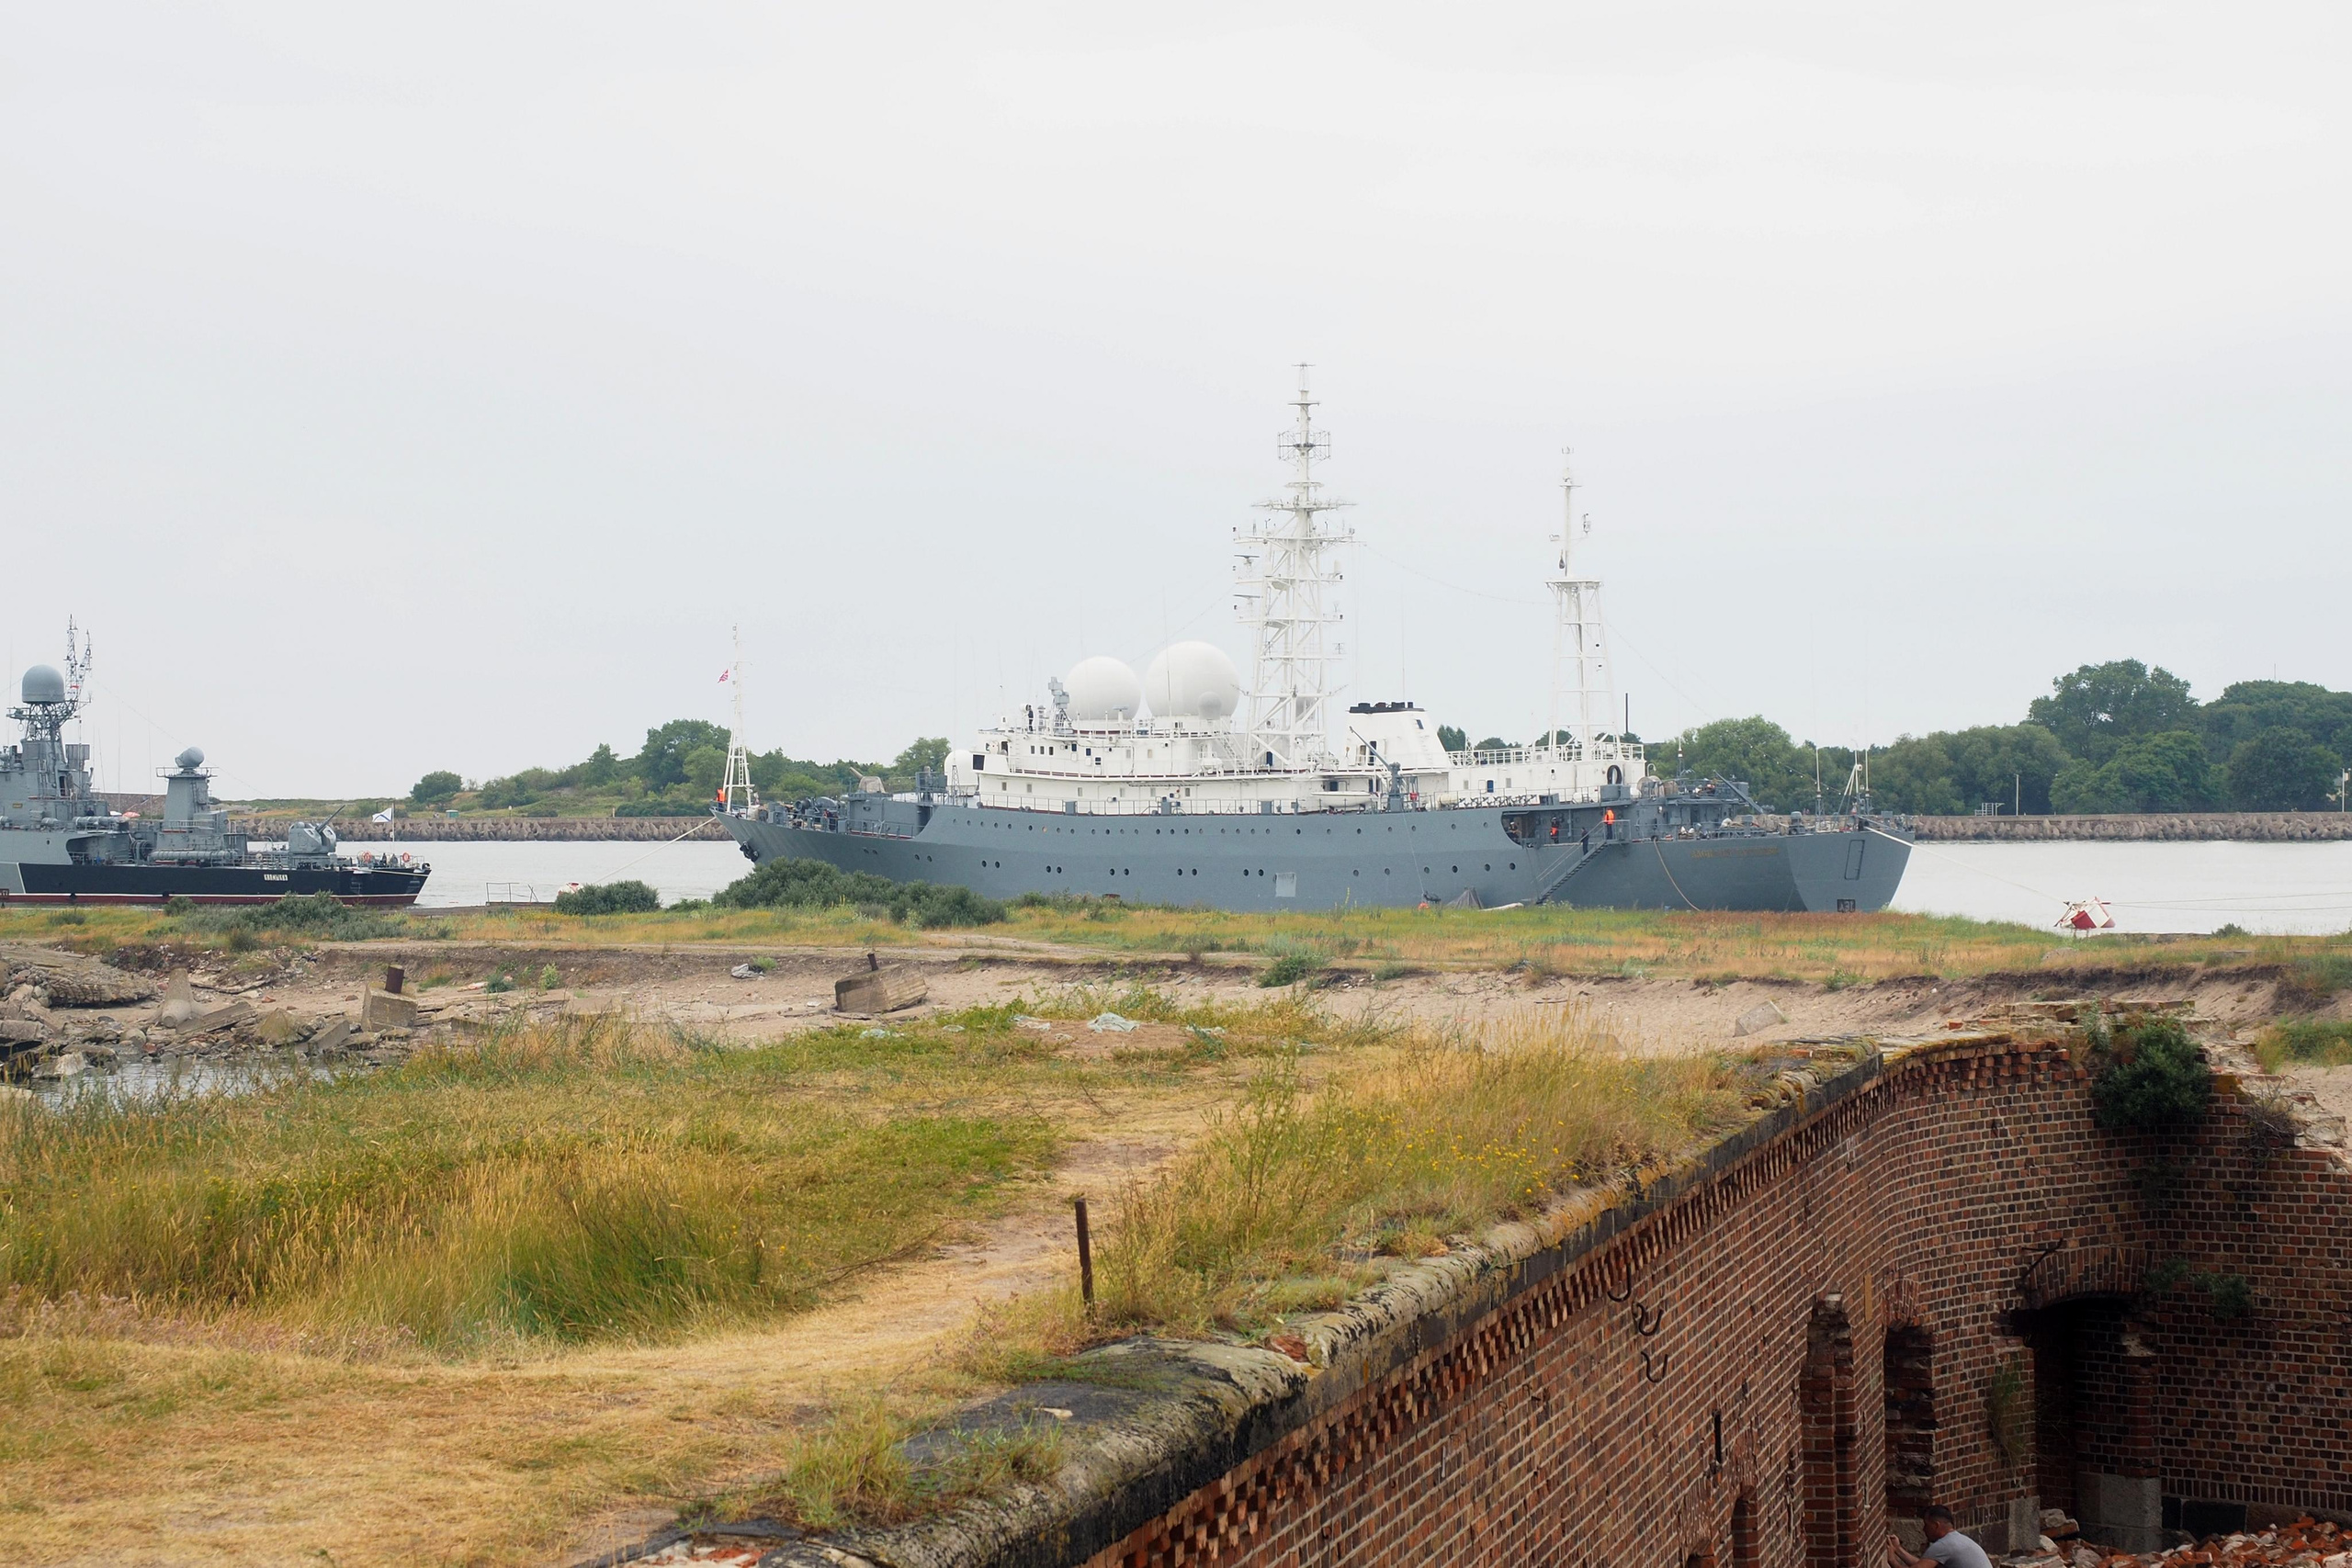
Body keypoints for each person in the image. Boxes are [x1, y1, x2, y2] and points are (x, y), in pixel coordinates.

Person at [1888, 1506, 1992, 1568]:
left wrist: (1892, 1561)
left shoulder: (1943, 1545)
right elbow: (1923, 1565)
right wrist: (1898, 1549)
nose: (1924, 1529)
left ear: (1936, 1525)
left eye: (1926, 1525)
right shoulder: (1956, 1540)